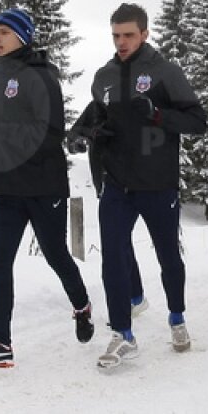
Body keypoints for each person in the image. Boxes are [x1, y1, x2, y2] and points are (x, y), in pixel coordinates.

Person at [82, 3, 206, 372]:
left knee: (168, 255)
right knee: (113, 257)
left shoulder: (166, 72)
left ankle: (177, 317)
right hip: (117, 183)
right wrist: (89, 132)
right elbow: (95, 117)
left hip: (158, 183)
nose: (121, 42)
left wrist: (156, 114)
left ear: (145, 34)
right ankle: (123, 332)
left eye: (129, 35)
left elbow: (197, 121)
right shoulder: (103, 76)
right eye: (116, 35)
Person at [0, 8, 94, 369]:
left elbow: (48, 133)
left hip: (43, 185)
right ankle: (0, 343)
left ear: (23, 36)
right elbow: (8, 128)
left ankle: (82, 305)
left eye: (5, 32)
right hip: (7, 186)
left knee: (56, 254)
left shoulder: (42, 77)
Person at [68, 102, 149, 318]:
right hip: (104, 182)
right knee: (119, 241)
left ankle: (134, 298)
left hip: (135, 183)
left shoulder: (138, 103)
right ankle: (135, 297)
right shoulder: (96, 107)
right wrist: (79, 140)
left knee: (118, 241)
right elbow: (75, 132)